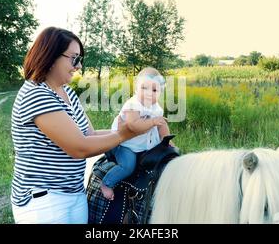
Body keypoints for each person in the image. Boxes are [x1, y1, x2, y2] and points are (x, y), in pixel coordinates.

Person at [10, 27, 150, 224]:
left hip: (74, 193)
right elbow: (79, 147)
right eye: (74, 58)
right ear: (50, 56)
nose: (79, 66)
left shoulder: (65, 91)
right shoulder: (36, 93)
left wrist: (133, 131)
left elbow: (89, 134)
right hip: (44, 200)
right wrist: (125, 134)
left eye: (80, 60)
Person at [100, 67, 173, 200]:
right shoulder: (133, 104)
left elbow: (161, 126)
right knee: (128, 166)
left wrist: (167, 142)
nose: (149, 93)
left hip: (143, 145)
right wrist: (152, 122)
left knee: (157, 161)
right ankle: (107, 183)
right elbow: (133, 125)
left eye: (155, 90)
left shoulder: (156, 108)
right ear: (136, 89)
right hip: (126, 144)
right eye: (144, 88)